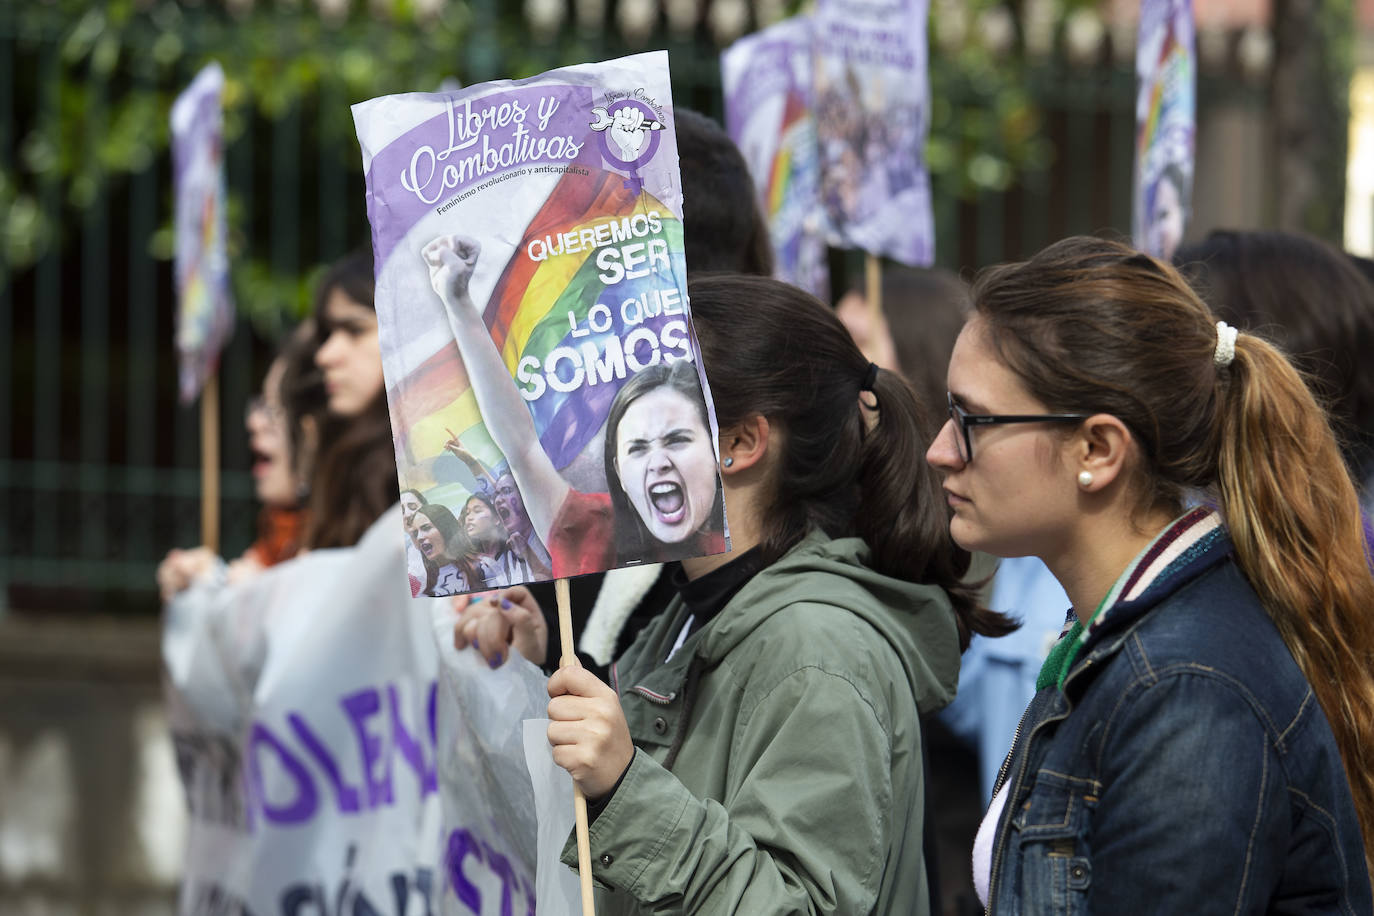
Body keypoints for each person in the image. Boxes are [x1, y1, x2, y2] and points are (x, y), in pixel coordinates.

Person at [453, 274, 1014, 915]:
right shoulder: (689, 611)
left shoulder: (817, 651)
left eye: (666, 427)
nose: (623, 449)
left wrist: (624, 790)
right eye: (629, 436)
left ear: (739, 444)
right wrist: (541, 671)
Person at [925, 235, 1374, 910]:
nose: (939, 450)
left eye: (972, 420)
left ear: (1099, 449)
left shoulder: (1185, 689)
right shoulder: (1126, 636)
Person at [162, 250, 443, 914]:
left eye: (352, 331)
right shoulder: (349, 481)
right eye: (326, 335)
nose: (329, 355)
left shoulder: (435, 482)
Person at [422, 234, 726, 578]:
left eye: (678, 440)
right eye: (637, 449)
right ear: (618, 473)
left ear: (718, 448)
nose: (658, 463)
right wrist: (458, 302)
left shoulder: (751, 531)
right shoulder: (587, 528)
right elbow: (521, 446)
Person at [413, 502, 482, 596]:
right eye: (416, 533)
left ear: (446, 529)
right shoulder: (421, 586)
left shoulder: (483, 566)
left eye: (426, 528)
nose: (419, 537)